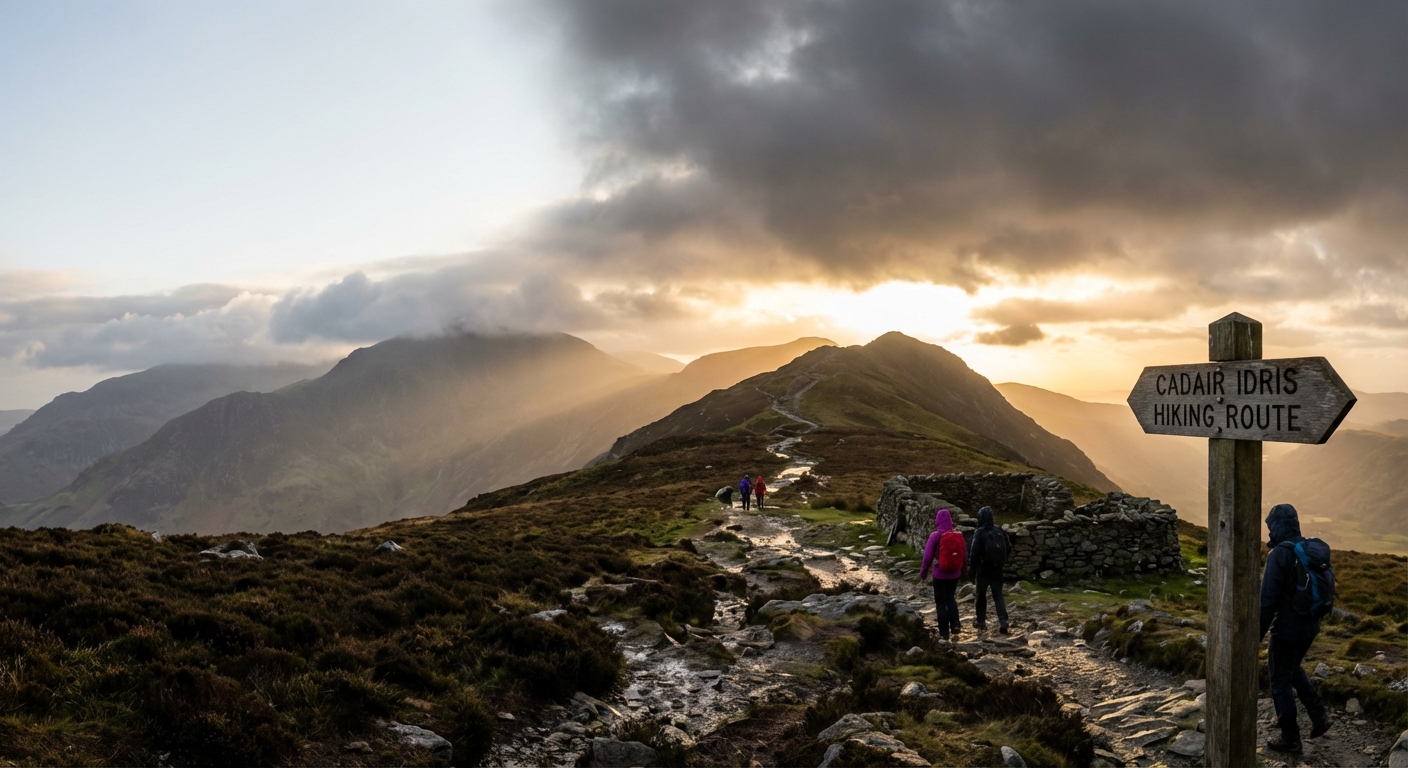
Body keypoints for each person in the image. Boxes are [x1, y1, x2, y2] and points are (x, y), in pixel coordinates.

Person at [1260, 503, 1332, 754]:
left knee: (1279, 680)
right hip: (1311, 624)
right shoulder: (1308, 548)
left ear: (1276, 526)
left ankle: (1291, 738)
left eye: (1270, 526)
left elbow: (1267, 602)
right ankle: (1319, 716)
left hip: (1287, 629)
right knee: (1292, 668)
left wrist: (1255, 637)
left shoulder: (1280, 554)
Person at [919, 508, 965, 640]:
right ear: (950, 520)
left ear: (937, 521)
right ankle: (955, 625)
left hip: (939, 574)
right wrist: (963, 571)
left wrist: (923, 573)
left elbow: (927, 557)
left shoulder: (935, 536)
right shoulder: (958, 536)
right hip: (954, 574)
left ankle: (944, 632)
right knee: (951, 598)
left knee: (940, 602)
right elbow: (964, 555)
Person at [969, 506, 1011, 634]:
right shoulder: (999, 530)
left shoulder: (979, 532)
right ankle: (1003, 620)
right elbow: (1008, 548)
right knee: (998, 595)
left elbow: (974, 554)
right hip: (997, 569)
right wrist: (1000, 562)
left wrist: (972, 572)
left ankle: (981, 622)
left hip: (983, 569)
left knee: (981, 595)